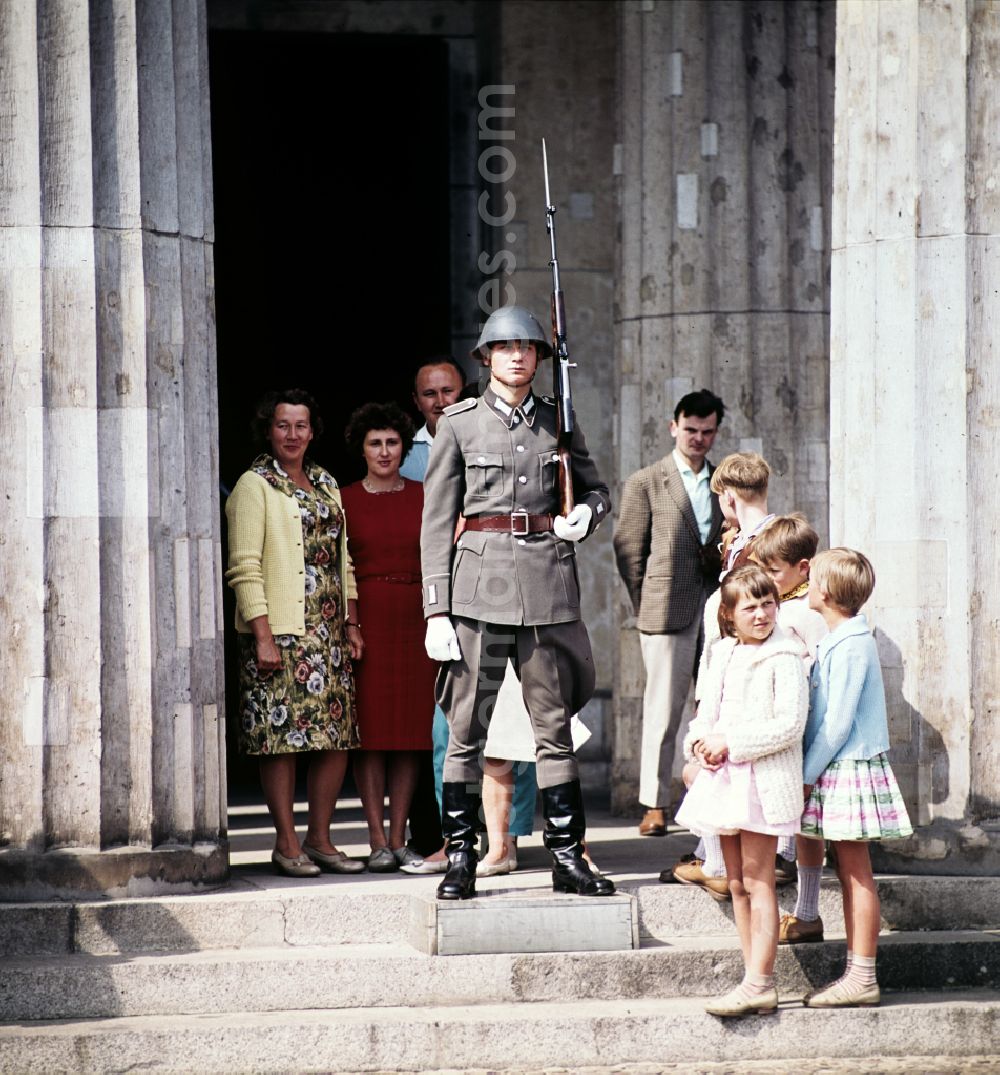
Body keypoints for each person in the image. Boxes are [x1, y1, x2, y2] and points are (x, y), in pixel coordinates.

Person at [421, 304, 614, 900]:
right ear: (485, 357)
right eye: (505, 348)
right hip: (479, 591)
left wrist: (586, 513)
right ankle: (461, 856)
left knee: (552, 731)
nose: (517, 356)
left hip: (547, 587)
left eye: (528, 348)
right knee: (467, 732)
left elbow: (598, 488)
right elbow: (436, 523)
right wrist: (436, 609)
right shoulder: (459, 424)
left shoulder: (559, 421)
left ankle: (565, 857)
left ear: (539, 357)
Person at [398, 356, 539, 876]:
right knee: (452, 731)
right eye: (429, 393)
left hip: (506, 593)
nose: (440, 401)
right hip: (449, 601)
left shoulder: (508, 434)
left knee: (512, 727)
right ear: (418, 401)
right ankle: (457, 842)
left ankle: (508, 840)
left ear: (467, 391)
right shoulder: (408, 455)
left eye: (449, 391)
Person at [226, 389, 365, 878]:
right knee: (279, 740)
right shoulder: (254, 485)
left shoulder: (326, 482)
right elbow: (243, 567)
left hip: (327, 633)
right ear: (269, 429)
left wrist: (351, 621)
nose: (292, 434)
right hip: (279, 633)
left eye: (300, 425)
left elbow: (343, 558)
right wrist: (261, 635)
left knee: (335, 737)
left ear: (312, 431)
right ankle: (286, 844)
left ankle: (320, 839)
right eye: (282, 425)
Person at [675, 565, 809, 1017]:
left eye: (768, 604)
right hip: (725, 780)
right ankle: (750, 974)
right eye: (749, 607)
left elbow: (789, 725)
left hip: (762, 782)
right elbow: (704, 715)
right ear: (729, 616)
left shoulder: (785, 655)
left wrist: (730, 743)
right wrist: (700, 745)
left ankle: (761, 981)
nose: (761, 614)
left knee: (758, 880)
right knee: (733, 883)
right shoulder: (722, 654)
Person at [800, 549, 913, 1008]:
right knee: (849, 871)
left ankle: (862, 975)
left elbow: (838, 723)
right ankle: (857, 972)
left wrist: (806, 776)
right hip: (838, 766)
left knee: (855, 872)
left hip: (848, 766)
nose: (806, 583)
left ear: (824, 592)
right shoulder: (840, 639)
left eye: (813, 579)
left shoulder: (851, 645)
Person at [613, 390, 726, 837]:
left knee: (716, 705)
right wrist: (644, 602)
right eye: (691, 429)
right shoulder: (647, 480)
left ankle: (710, 797)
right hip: (665, 607)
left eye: (707, 431)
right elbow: (628, 549)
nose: (698, 439)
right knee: (662, 708)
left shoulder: (722, 482)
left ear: (715, 432)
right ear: (673, 426)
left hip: (717, 607)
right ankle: (654, 803)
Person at [340, 402, 439, 873]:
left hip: (419, 618)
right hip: (370, 621)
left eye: (392, 442)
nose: (384, 451)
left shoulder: (426, 494)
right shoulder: (345, 499)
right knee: (373, 735)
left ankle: (400, 837)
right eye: (375, 443)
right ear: (362, 449)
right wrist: (351, 623)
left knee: (411, 734)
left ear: (405, 447)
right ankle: (376, 837)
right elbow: (341, 571)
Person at [753, 514, 829, 909]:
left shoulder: (807, 612)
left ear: (803, 568)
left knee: (804, 817)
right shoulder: (776, 603)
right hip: (773, 720)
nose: (766, 577)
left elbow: (821, 669)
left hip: (801, 722)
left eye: (773, 570)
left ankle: (807, 905)